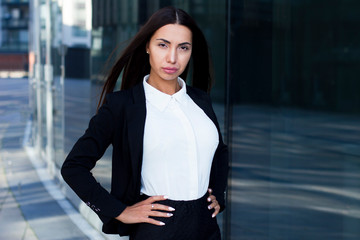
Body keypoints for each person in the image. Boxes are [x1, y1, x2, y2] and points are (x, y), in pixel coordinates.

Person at [61, 6, 228, 240]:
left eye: (183, 48)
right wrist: (118, 211)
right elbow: (73, 167)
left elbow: (219, 152)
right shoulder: (122, 106)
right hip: (157, 230)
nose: (172, 57)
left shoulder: (200, 100)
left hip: (206, 228)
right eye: (163, 45)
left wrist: (218, 195)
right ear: (147, 46)